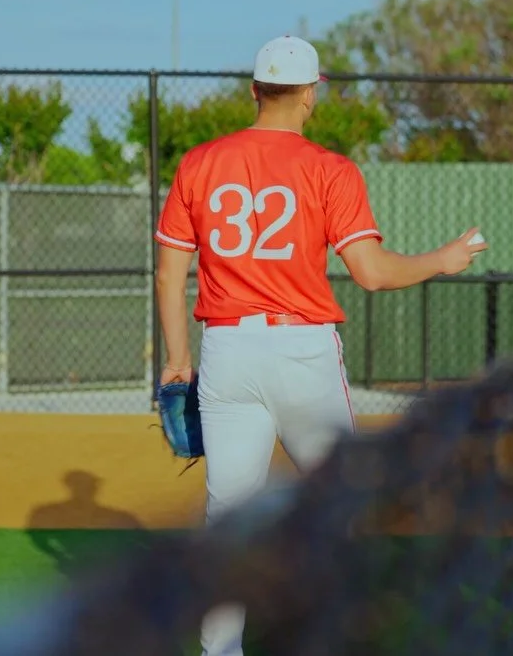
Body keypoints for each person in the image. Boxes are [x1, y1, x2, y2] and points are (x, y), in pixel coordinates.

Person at [153, 34, 489, 656]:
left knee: (227, 519)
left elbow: (171, 273)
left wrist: (177, 358)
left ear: (254, 91)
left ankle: (220, 652)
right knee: (346, 508)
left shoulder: (199, 162)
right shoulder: (329, 169)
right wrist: (443, 259)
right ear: (311, 94)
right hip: (302, 351)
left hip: (226, 351)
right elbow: (371, 272)